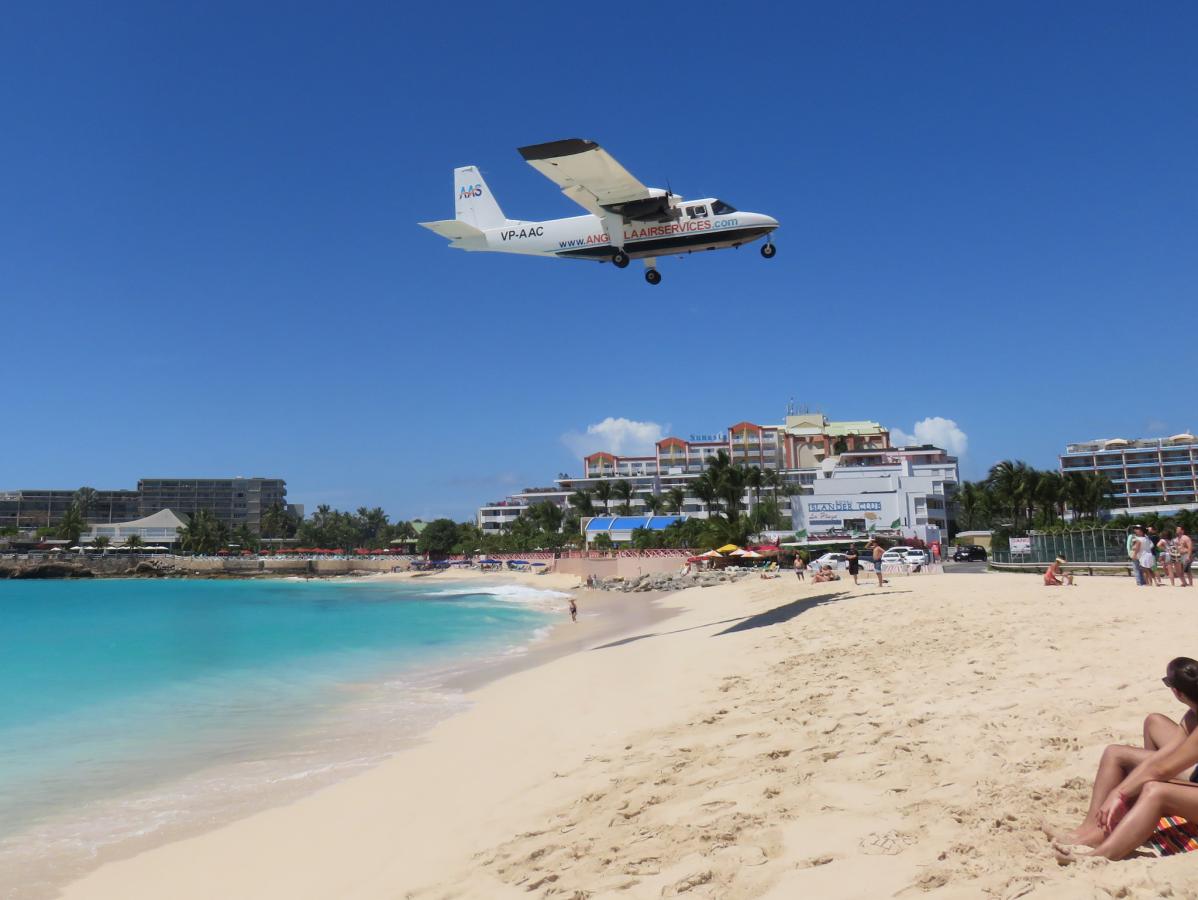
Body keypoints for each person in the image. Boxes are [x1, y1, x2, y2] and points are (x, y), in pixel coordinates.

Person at [1049, 658, 1198, 862]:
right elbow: (1162, 759)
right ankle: (1090, 832)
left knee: (1155, 790)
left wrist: (1119, 794)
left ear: (1177, 693)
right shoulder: (1192, 716)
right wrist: (1126, 790)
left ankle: (1098, 855)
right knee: (1119, 751)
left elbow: (1163, 769)